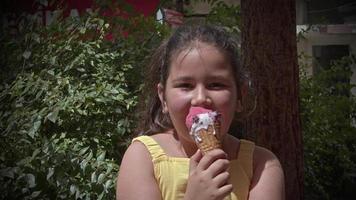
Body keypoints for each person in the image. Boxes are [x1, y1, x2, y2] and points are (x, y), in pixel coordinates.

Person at [116, 25, 285, 200]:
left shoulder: (261, 164)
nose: (200, 98)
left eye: (216, 85)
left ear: (240, 97)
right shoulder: (143, 158)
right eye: (185, 86)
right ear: (163, 97)